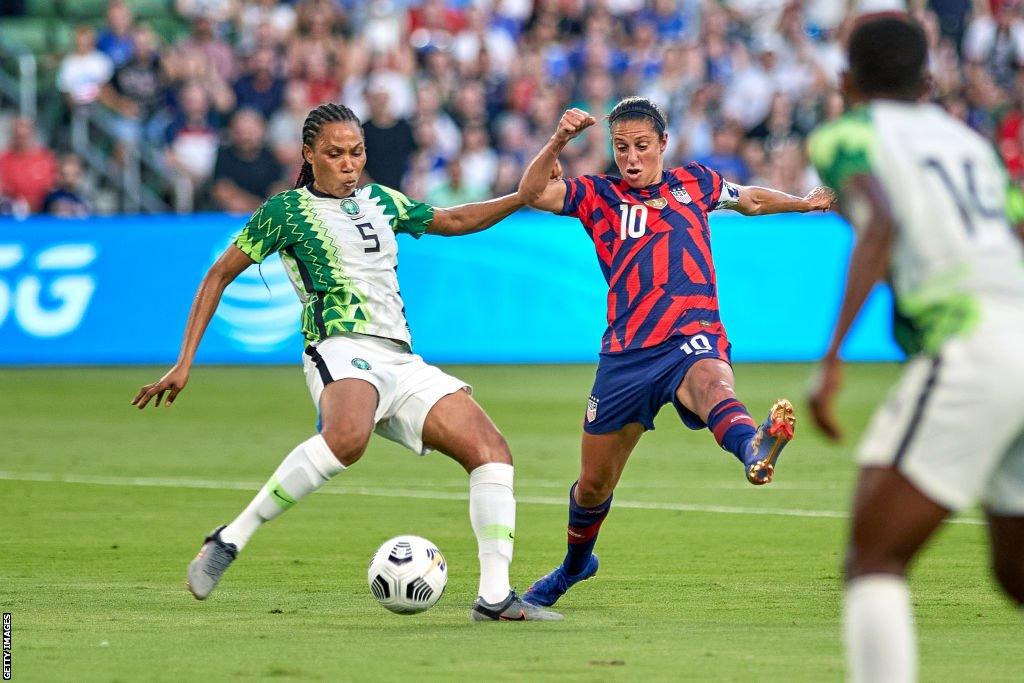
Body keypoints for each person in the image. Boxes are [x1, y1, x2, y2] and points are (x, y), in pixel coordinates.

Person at [131, 102, 562, 622]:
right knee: (347, 440)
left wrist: (521, 197)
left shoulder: (382, 200)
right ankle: (229, 538)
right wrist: (184, 362)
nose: (348, 163)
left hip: (401, 358)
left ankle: (495, 598)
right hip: (338, 346)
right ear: (309, 155)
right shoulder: (285, 212)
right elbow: (217, 276)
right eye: (334, 154)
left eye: (356, 152)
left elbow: (453, 219)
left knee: (493, 453)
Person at [515, 97, 835, 607]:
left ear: (663, 144)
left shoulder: (696, 183)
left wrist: (802, 202)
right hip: (626, 353)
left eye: (642, 146)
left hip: (693, 332)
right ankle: (575, 566)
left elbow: (749, 199)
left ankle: (755, 446)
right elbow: (531, 194)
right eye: (621, 148)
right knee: (593, 486)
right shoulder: (597, 194)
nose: (632, 158)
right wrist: (557, 141)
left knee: (712, 383)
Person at [806, 14, 1024, 683]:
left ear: (846, 82)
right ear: (929, 78)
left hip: (971, 343)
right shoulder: (970, 142)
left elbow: (882, 225)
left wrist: (833, 355)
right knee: (1016, 572)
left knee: (874, 554)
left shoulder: (848, 133)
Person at [210, 109, 285, 213]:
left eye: (251, 132)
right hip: (232, 220)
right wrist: (261, 206)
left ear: (262, 131)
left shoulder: (272, 157)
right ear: (231, 132)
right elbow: (222, 191)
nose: (245, 137)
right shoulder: (223, 156)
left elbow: (279, 191)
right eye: (240, 132)